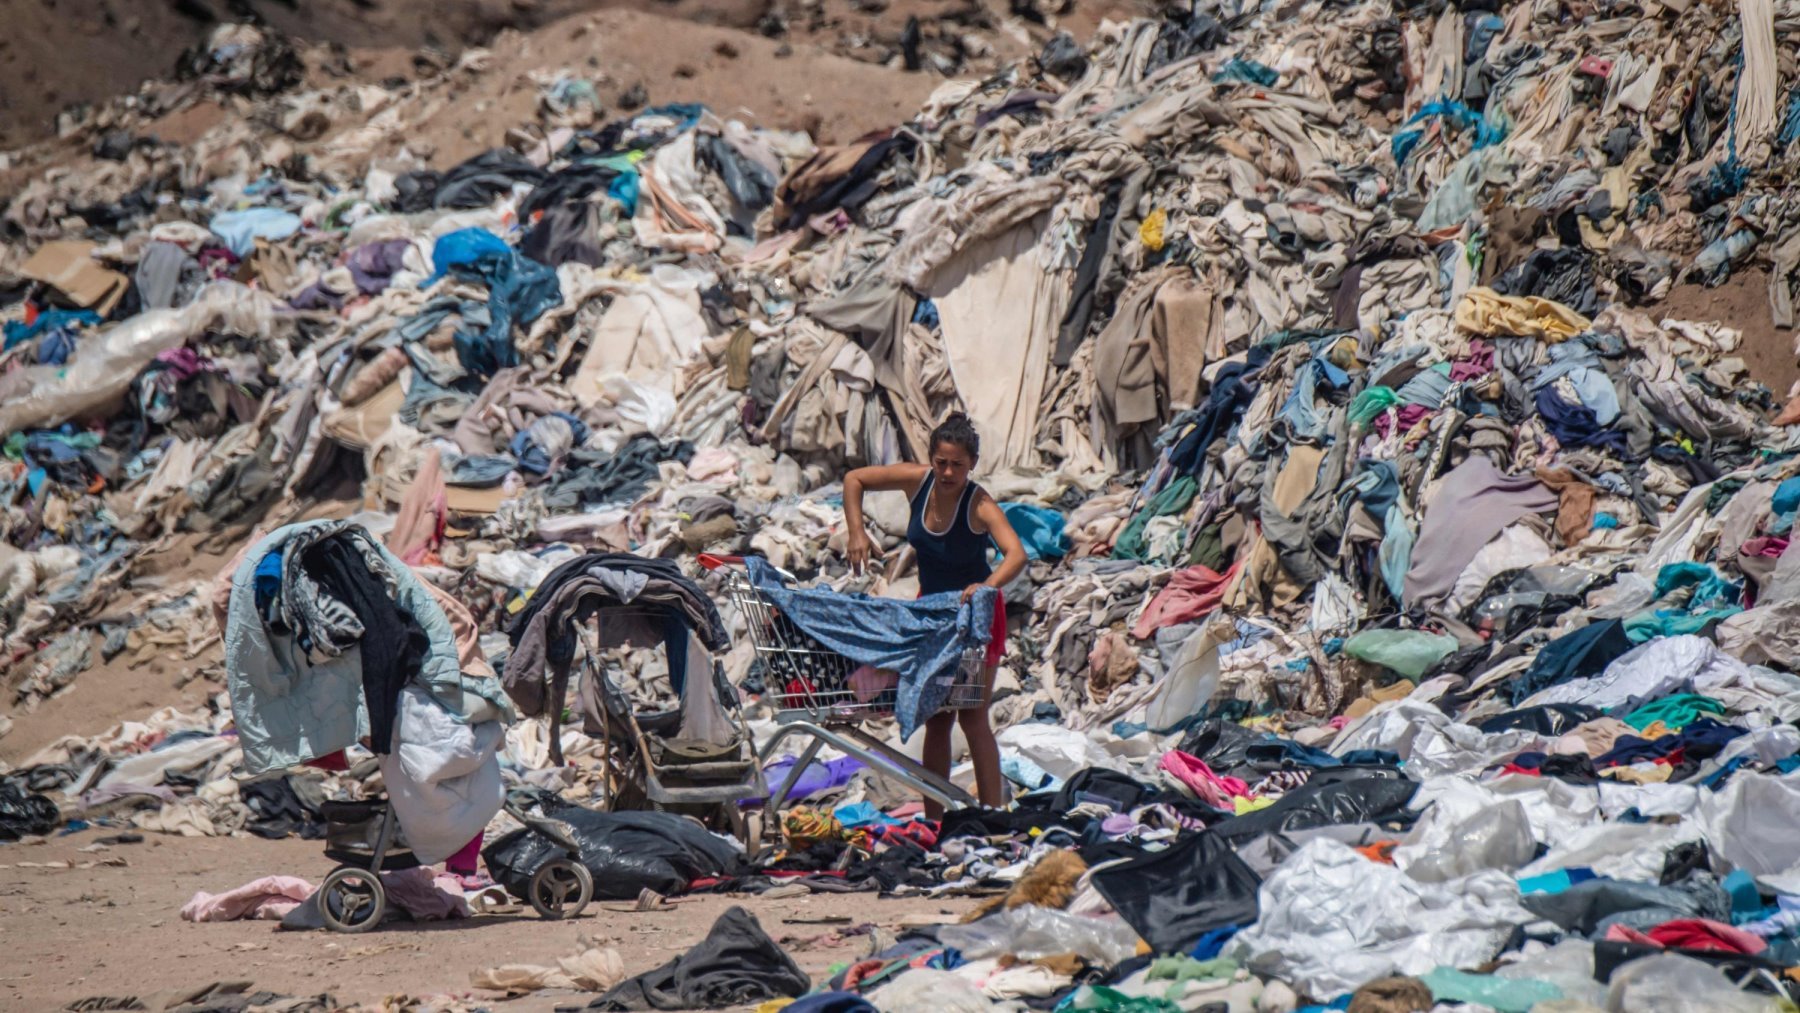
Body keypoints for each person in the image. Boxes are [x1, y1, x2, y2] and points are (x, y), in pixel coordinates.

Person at [842, 413, 1028, 816]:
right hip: (932, 618)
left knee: (972, 717)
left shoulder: (979, 504)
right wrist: (856, 531)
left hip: (974, 621)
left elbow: (1016, 554)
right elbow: (854, 479)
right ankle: (935, 821)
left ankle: (990, 815)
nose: (947, 472)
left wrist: (988, 585)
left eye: (957, 464)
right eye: (941, 462)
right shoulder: (917, 481)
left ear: (972, 464)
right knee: (938, 720)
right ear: (931, 459)